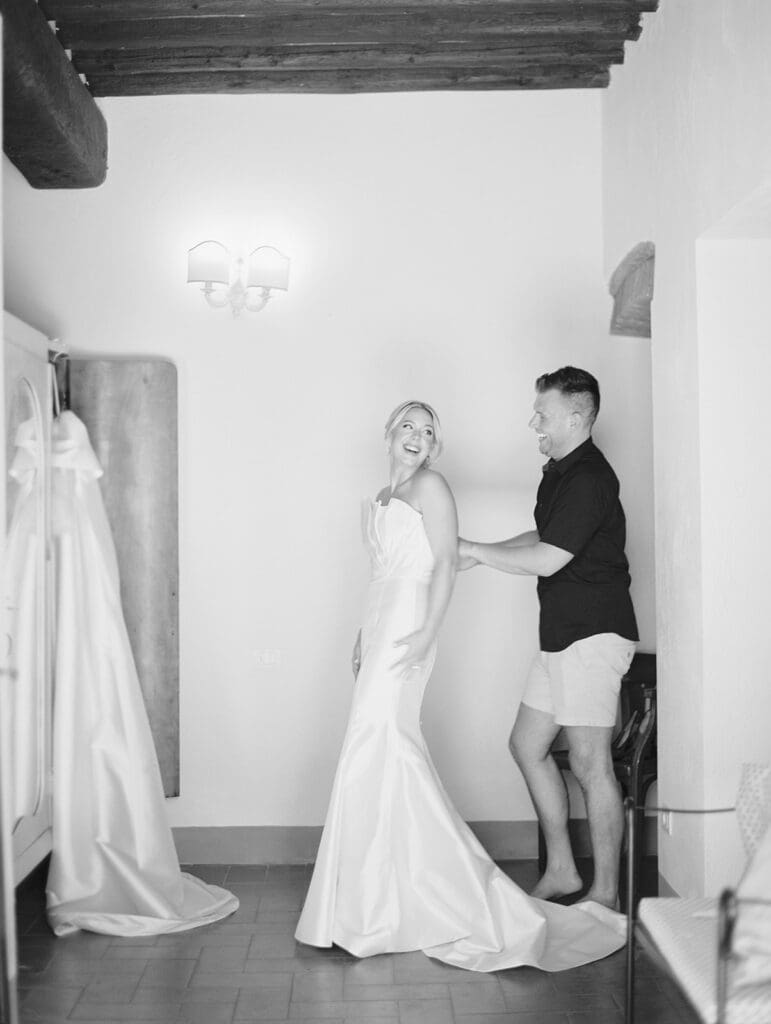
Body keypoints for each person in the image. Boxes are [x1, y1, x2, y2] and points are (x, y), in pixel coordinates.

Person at [295, 399, 626, 971]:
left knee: (383, 743)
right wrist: (361, 631)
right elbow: (387, 573)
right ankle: (377, 892)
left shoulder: (438, 487)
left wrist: (428, 629)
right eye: (407, 425)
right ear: (387, 432)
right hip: (389, 626)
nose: (417, 437)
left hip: (443, 629)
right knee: (387, 747)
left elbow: (455, 564)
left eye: (428, 430)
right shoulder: (385, 497)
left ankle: (582, 889)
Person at [458, 367, 638, 910]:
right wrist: (475, 548)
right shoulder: (559, 473)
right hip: (561, 635)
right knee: (526, 745)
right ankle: (562, 870)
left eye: (543, 412)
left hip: (593, 635)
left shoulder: (589, 478)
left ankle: (604, 894)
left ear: (577, 417)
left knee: (589, 763)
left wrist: (474, 553)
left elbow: (548, 558)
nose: (533, 420)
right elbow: (545, 535)